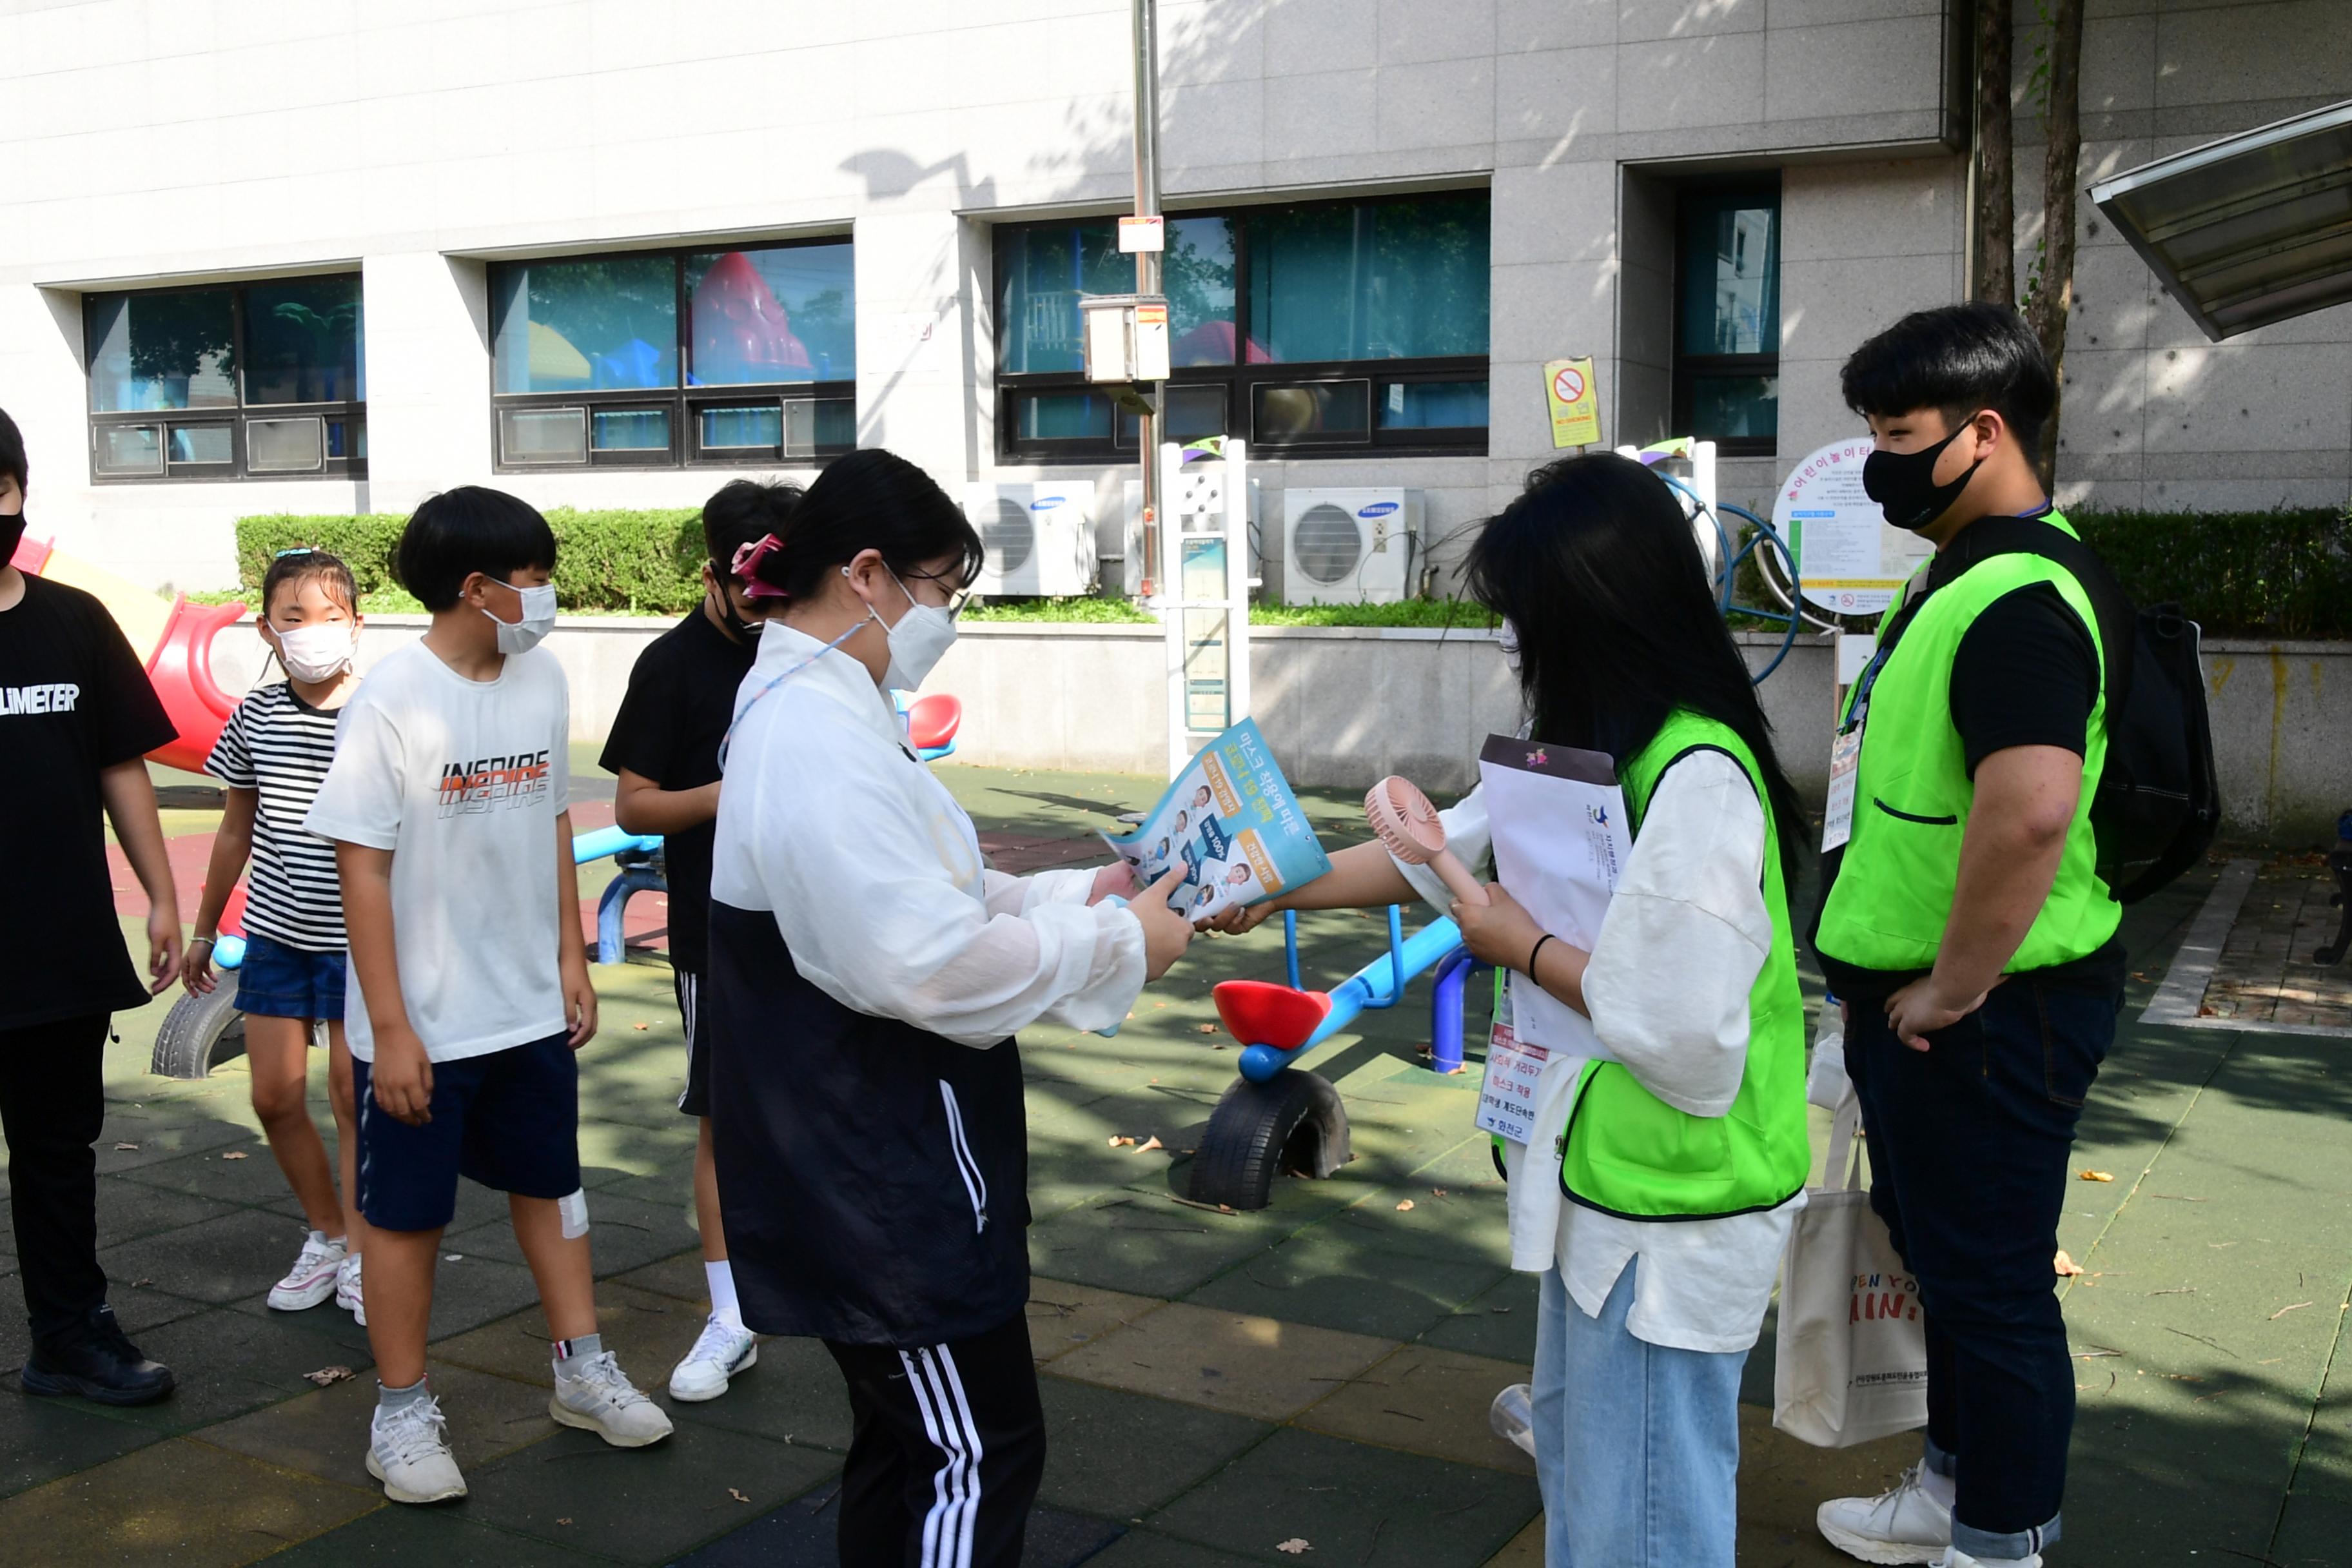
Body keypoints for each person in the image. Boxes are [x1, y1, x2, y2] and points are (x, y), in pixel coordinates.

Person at [1208, 453, 1813, 1567]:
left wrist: (1516, 946)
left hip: (1674, 1202)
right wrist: (1263, 883)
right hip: (1610, 1177)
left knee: (1647, 1510)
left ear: (1587, 617)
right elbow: (1438, 856)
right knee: (1597, 1478)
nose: (1512, 646)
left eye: (1522, 620)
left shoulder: (1693, 776)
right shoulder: (1598, 745)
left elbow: (1682, 1027)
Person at [704, 447, 1196, 1567]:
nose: (944, 618)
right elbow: (924, 965)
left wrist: (1092, 895)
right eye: (941, 589)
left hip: (876, 1150)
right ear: (867, 573)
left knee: (918, 1441)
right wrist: (1119, 939)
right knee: (969, 1451)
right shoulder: (816, 736)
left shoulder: (819, 699)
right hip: (876, 1166)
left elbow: (939, 895)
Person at [1810, 304, 2124, 1568]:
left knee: (1990, 1285)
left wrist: (1952, 986)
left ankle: (2001, 1540)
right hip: (1937, 1003)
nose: (1880, 461)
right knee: (1947, 1264)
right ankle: (1954, 1487)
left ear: (1984, 432)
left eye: (1898, 434)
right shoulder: (1970, 578)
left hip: (1991, 1011)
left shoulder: (2017, 598)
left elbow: (2035, 806)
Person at [306, 487, 671, 1505]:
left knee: (553, 1189)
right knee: (403, 1219)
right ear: (478, 588)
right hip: (422, 1021)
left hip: (525, 1008)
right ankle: (402, 1413)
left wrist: (569, 957)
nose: (548, 597)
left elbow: (553, 818)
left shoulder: (541, 675)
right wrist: (392, 1029)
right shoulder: (391, 701)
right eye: (537, 579)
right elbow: (361, 870)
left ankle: (581, 1368)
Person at [598, 477, 799, 1402]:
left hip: (824, 925)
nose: (767, 606)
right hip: (718, 936)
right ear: (714, 571)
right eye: (752, 583)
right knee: (723, 1119)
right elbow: (634, 804)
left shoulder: (811, 650)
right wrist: (735, 789)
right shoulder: (672, 664)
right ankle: (731, 1315)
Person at [0, 405, 181, 1405]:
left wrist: (161, 895)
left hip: (58, 949)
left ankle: (67, 1337)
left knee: (57, 1156)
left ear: (19, 493)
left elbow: (121, 763)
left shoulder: (75, 621)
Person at [183, 548, 369, 1324]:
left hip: (363, 942)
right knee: (274, 1094)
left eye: (330, 616)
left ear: (358, 625)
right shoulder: (254, 714)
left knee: (354, 1098)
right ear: (267, 629)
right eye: (294, 619)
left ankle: (367, 1248)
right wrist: (203, 927)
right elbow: (235, 827)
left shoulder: (380, 709)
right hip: (277, 935)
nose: (314, 632)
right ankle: (327, 1232)